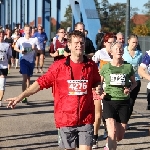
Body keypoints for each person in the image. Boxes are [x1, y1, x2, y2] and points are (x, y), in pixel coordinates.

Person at [6, 30, 101, 150]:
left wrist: (98, 86)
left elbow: (97, 81)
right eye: (76, 43)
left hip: (86, 117)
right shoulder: (59, 66)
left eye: (81, 43)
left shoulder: (91, 66)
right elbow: (40, 83)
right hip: (66, 118)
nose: (79, 46)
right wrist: (20, 96)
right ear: (69, 45)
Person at [100, 42, 137, 150]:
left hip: (123, 102)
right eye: (116, 49)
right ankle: (110, 145)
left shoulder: (128, 67)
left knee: (119, 136)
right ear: (111, 52)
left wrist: (129, 89)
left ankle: (109, 143)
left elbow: (134, 83)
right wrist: (100, 91)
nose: (119, 50)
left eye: (121, 48)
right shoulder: (105, 67)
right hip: (109, 100)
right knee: (112, 132)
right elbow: (99, 83)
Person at [92, 33, 116, 149]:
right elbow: (92, 67)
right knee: (98, 115)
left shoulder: (118, 54)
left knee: (110, 117)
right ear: (105, 43)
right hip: (99, 87)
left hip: (112, 88)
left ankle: (108, 141)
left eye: (114, 42)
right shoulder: (100, 53)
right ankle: (94, 138)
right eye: (110, 42)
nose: (112, 44)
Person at [14, 24, 41, 104]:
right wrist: (20, 51)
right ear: (24, 31)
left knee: (28, 79)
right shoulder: (21, 39)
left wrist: (34, 48)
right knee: (25, 78)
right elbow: (15, 47)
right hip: (23, 60)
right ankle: (23, 96)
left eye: (29, 30)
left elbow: (40, 51)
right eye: (26, 30)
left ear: (31, 31)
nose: (28, 32)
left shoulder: (34, 40)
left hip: (31, 61)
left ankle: (25, 95)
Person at [123, 34, 142, 128]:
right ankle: (120, 120)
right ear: (128, 42)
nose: (134, 44)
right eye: (133, 42)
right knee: (122, 102)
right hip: (124, 81)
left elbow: (142, 67)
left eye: (136, 42)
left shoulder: (140, 54)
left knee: (131, 103)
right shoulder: (123, 52)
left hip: (136, 80)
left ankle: (125, 122)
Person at [0, 29, 12, 106]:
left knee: (2, 85)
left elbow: (10, 55)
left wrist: (9, 63)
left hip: (3, 67)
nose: (1, 36)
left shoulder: (7, 45)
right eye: (0, 35)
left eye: (2, 35)